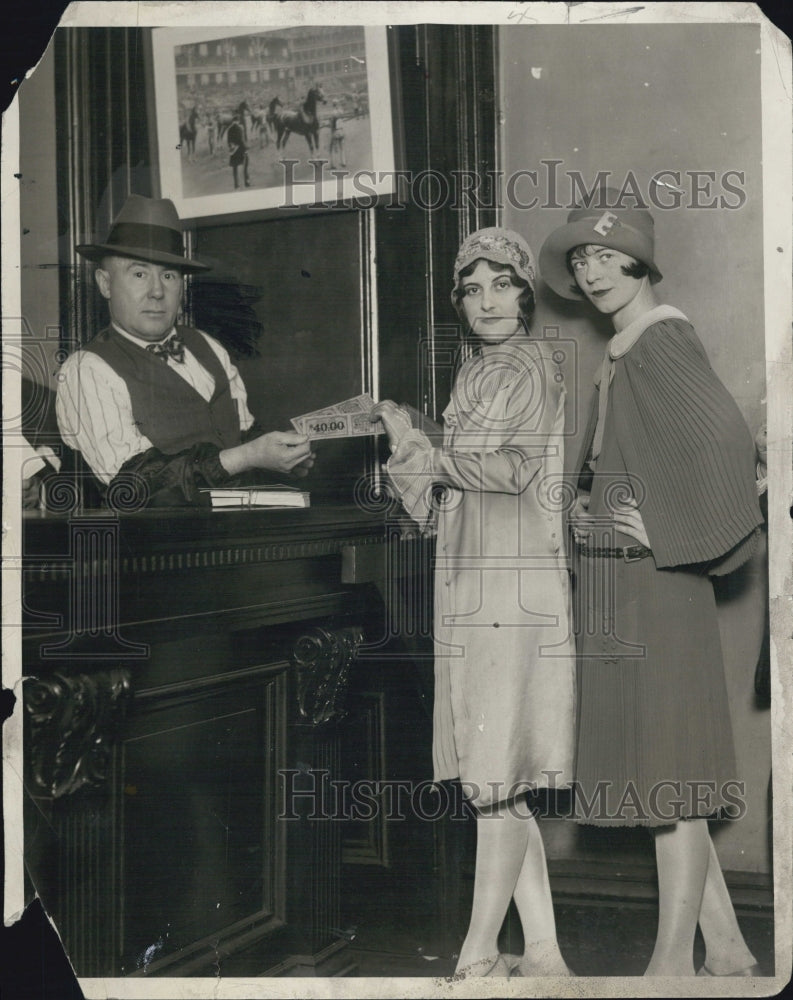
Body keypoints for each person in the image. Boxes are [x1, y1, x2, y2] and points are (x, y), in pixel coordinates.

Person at [539, 194, 764, 977]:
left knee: (670, 783)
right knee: (659, 776)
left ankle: (669, 963)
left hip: (656, 589)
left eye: (606, 255)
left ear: (640, 260)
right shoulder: (625, 348)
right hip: (622, 587)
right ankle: (727, 947)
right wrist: (583, 501)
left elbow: (729, 444)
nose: (592, 271)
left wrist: (667, 530)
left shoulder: (660, 338)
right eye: (580, 260)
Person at [371, 228, 576, 978]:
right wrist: (414, 440)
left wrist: (426, 448)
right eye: (472, 287)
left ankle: (476, 952)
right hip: (476, 576)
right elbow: (446, 490)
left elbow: (514, 470)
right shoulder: (478, 370)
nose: (487, 301)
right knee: (501, 780)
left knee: (493, 778)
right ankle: (546, 953)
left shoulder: (527, 364)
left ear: (525, 291)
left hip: (509, 584)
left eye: (501, 284)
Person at [56, 194, 313, 507]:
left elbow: (242, 435)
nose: (156, 291)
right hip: (153, 549)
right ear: (105, 284)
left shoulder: (210, 347)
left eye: (168, 275)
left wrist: (284, 456)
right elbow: (132, 486)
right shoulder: (87, 370)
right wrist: (248, 456)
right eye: (139, 274)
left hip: (238, 533)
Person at [227, 111, 250, 189]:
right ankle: (247, 182)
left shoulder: (229, 129)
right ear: (238, 120)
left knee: (235, 167)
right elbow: (241, 140)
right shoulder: (239, 128)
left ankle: (236, 184)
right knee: (246, 164)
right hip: (241, 150)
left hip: (233, 151)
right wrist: (246, 148)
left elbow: (228, 141)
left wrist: (231, 148)